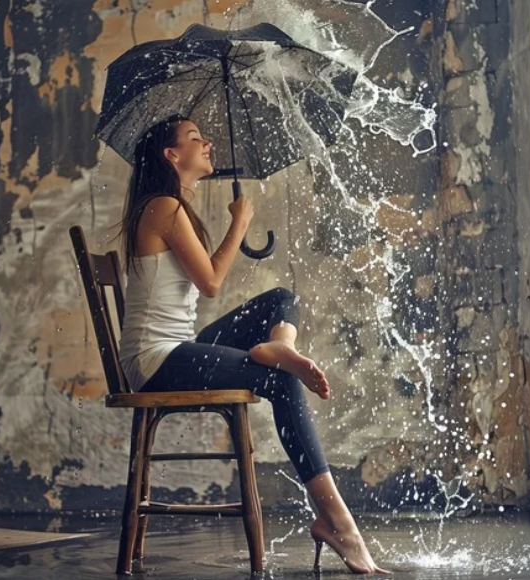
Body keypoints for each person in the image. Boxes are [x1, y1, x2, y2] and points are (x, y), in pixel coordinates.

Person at [111, 114, 389, 575]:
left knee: (281, 299)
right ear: (171, 155)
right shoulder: (163, 206)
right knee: (281, 384)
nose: (209, 145)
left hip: (179, 348)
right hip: (156, 360)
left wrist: (232, 224)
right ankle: (338, 521)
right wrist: (239, 223)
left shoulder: (174, 206)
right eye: (196, 139)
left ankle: (279, 346)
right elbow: (213, 283)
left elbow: (205, 282)